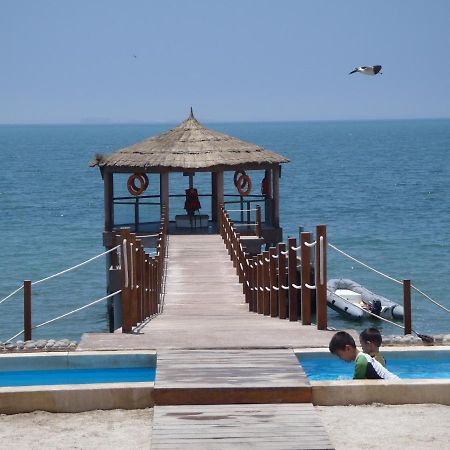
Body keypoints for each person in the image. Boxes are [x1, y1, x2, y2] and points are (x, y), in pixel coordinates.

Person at [329, 331, 399, 380]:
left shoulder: (361, 361)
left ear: (348, 348)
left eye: (339, 355)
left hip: (396, 387)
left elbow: (355, 386)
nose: (340, 358)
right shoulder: (364, 358)